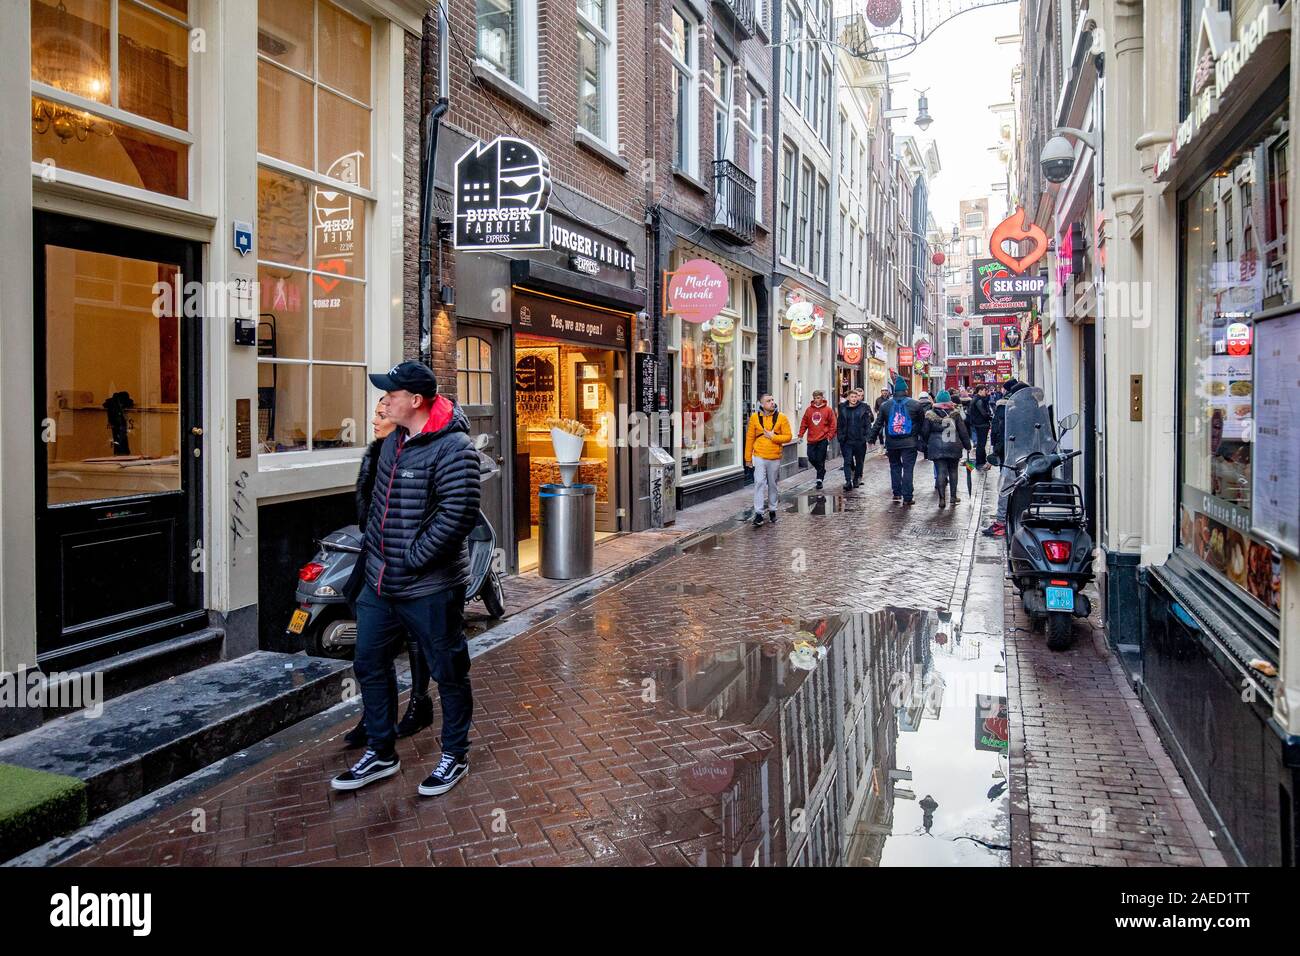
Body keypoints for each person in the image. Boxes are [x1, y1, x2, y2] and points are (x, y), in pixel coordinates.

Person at [332, 361, 480, 797]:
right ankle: (381, 750)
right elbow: (375, 504)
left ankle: (455, 754)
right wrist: (377, 554)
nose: (384, 400)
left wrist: (413, 558)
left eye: (391, 394)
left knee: (448, 670)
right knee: (368, 663)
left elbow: (459, 514)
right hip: (381, 583)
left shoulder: (454, 448)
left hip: (428, 586)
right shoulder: (393, 441)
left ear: (415, 401)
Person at [341, 398, 433, 749]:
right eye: (375, 414)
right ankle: (376, 716)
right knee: (371, 649)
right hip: (376, 558)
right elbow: (369, 510)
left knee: (415, 637)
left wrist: (414, 555)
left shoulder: (414, 455)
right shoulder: (377, 454)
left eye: (381, 415)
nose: (374, 420)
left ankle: (419, 703)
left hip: (407, 564)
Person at [983, 377, 1029, 537]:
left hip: (1012, 454)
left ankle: (1001, 523)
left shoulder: (1009, 408)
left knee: (1005, 486)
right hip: (1030, 454)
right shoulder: (1033, 406)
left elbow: (1002, 431)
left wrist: (997, 451)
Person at [869, 377, 925, 505]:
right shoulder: (916, 405)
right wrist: (922, 440)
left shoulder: (885, 405)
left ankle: (896, 492)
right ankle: (907, 497)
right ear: (906, 390)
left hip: (892, 442)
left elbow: (878, 423)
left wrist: (871, 437)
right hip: (910, 442)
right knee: (908, 469)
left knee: (894, 467)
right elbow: (922, 424)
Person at [744, 393, 792, 526]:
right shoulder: (754, 418)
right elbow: (749, 439)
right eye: (768, 401)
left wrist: (773, 437)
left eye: (772, 400)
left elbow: (788, 436)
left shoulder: (781, 417)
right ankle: (758, 513)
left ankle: (772, 510)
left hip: (774, 456)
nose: (772, 402)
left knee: (772, 484)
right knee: (759, 482)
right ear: (762, 404)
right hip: (759, 455)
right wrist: (748, 458)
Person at [921, 390, 972, 509]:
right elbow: (963, 431)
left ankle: (942, 498)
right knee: (953, 471)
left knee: (940, 472)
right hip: (953, 446)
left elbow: (924, 432)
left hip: (936, 447)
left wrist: (926, 443)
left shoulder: (929, 414)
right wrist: (967, 445)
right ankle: (953, 497)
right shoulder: (955, 413)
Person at [797, 389, 837, 490]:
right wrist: (800, 435)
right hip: (811, 439)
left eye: (818, 398)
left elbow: (833, 424)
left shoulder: (828, 410)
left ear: (822, 398)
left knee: (820, 459)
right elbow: (804, 423)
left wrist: (829, 437)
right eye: (814, 398)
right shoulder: (809, 410)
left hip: (823, 439)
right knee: (811, 458)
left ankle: (819, 479)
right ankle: (821, 470)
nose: (816, 400)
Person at [838, 387, 873, 490]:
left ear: (858, 398)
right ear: (848, 398)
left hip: (859, 440)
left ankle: (856, 478)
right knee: (847, 461)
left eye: (855, 397)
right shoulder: (843, 408)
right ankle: (848, 481)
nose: (854, 398)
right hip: (847, 440)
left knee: (859, 461)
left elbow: (867, 424)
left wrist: (867, 437)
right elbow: (839, 424)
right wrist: (840, 436)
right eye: (852, 397)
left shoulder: (863, 408)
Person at [966, 384, 993, 470]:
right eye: (985, 390)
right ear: (980, 390)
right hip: (981, 424)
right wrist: (990, 417)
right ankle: (980, 462)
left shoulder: (977, 399)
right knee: (981, 443)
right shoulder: (978, 400)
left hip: (979, 424)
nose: (987, 392)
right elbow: (983, 413)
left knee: (981, 443)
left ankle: (982, 460)